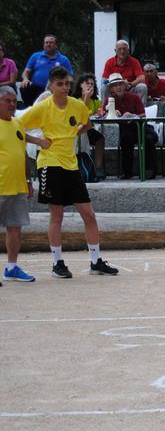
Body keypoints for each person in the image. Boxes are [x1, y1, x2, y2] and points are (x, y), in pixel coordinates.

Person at [18, 67, 119, 278]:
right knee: (57, 215)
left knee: (88, 214)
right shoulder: (43, 107)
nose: (64, 88)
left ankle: (96, 261)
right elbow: (18, 128)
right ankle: (57, 263)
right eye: (60, 84)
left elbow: (87, 123)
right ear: (51, 85)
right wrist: (39, 141)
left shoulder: (75, 104)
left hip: (70, 164)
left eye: (67, 84)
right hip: (49, 163)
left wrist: (74, 132)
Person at [0, 86, 37, 284]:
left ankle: (12, 267)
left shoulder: (17, 123)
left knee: (15, 228)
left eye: (14, 101)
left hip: (18, 185)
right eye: (7, 100)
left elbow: (23, 154)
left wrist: (29, 180)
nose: (12, 104)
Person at [103, 73, 157, 180]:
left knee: (148, 138)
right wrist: (113, 113)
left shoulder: (134, 97)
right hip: (123, 129)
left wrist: (131, 115)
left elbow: (143, 115)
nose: (118, 87)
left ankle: (149, 170)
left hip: (138, 126)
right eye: (115, 85)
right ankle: (127, 171)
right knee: (126, 139)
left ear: (124, 85)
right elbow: (104, 115)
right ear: (112, 88)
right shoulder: (109, 100)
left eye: (120, 84)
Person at [19, 35, 73, 106]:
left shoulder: (63, 59)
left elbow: (70, 77)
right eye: (46, 42)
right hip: (36, 89)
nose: (48, 44)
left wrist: (63, 83)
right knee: (24, 86)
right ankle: (30, 109)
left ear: (56, 45)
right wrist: (25, 79)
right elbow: (26, 72)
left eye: (51, 42)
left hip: (55, 89)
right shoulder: (36, 56)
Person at [72, 73, 107, 180]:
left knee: (100, 139)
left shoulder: (96, 100)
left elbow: (101, 113)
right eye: (87, 83)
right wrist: (86, 98)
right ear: (80, 85)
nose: (90, 86)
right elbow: (79, 116)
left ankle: (98, 167)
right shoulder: (74, 100)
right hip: (77, 131)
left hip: (88, 128)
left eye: (92, 84)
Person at [100, 40, 148, 106]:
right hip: (115, 90)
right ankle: (106, 112)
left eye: (124, 49)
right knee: (103, 87)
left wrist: (130, 84)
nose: (122, 51)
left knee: (142, 87)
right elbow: (103, 81)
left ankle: (141, 112)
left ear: (128, 50)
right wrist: (115, 85)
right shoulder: (109, 62)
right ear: (115, 50)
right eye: (119, 49)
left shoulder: (134, 62)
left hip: (129, 88)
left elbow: (142, 78)